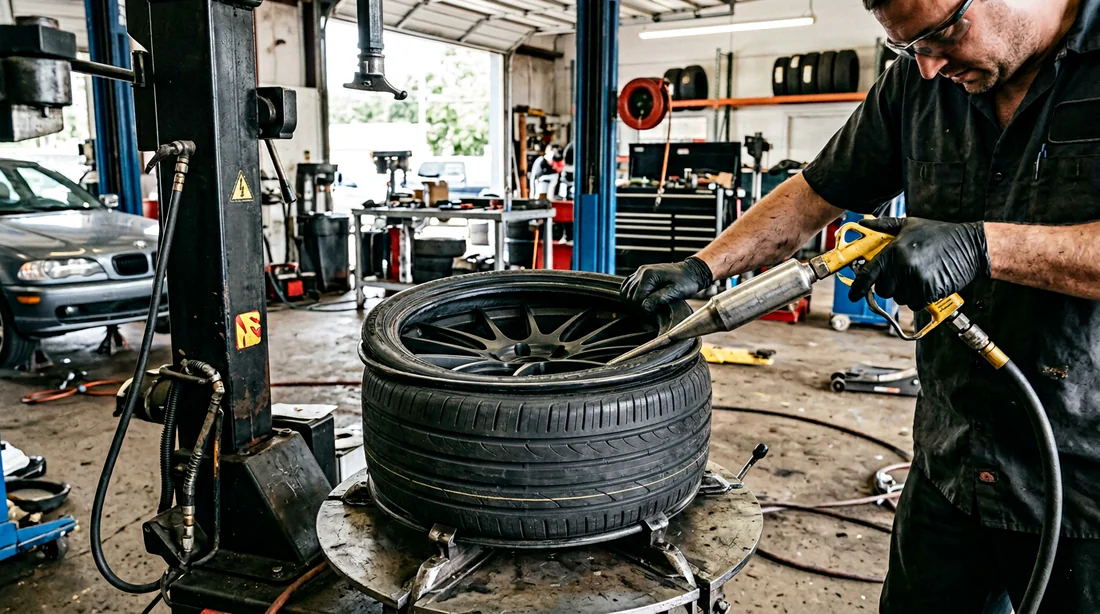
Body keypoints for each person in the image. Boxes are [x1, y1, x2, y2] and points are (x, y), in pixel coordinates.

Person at [620, 0, 1100, 611]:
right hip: (952, 461)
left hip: (1085, 484)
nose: (926, 67)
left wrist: (987, 246)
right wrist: (703, 266)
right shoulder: (921, 81)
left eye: (941, 35)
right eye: (909, 48)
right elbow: (817, 192)